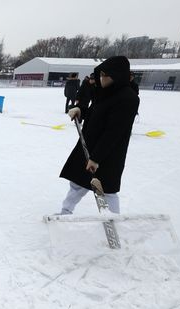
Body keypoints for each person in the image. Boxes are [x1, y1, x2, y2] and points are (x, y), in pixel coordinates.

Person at [57, 56, 139, 215]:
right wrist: (81, 111)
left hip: (107, 152)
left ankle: (113, 220)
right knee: (77, 183)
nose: (101, 79)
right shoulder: (104, 93)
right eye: (100, 74)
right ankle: (65, 211)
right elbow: (96, 114)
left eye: (105, 75)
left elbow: (114, 132)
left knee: (106, 189)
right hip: (88, 145)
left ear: (116, 75)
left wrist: (96, 158)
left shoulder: (128, 98)